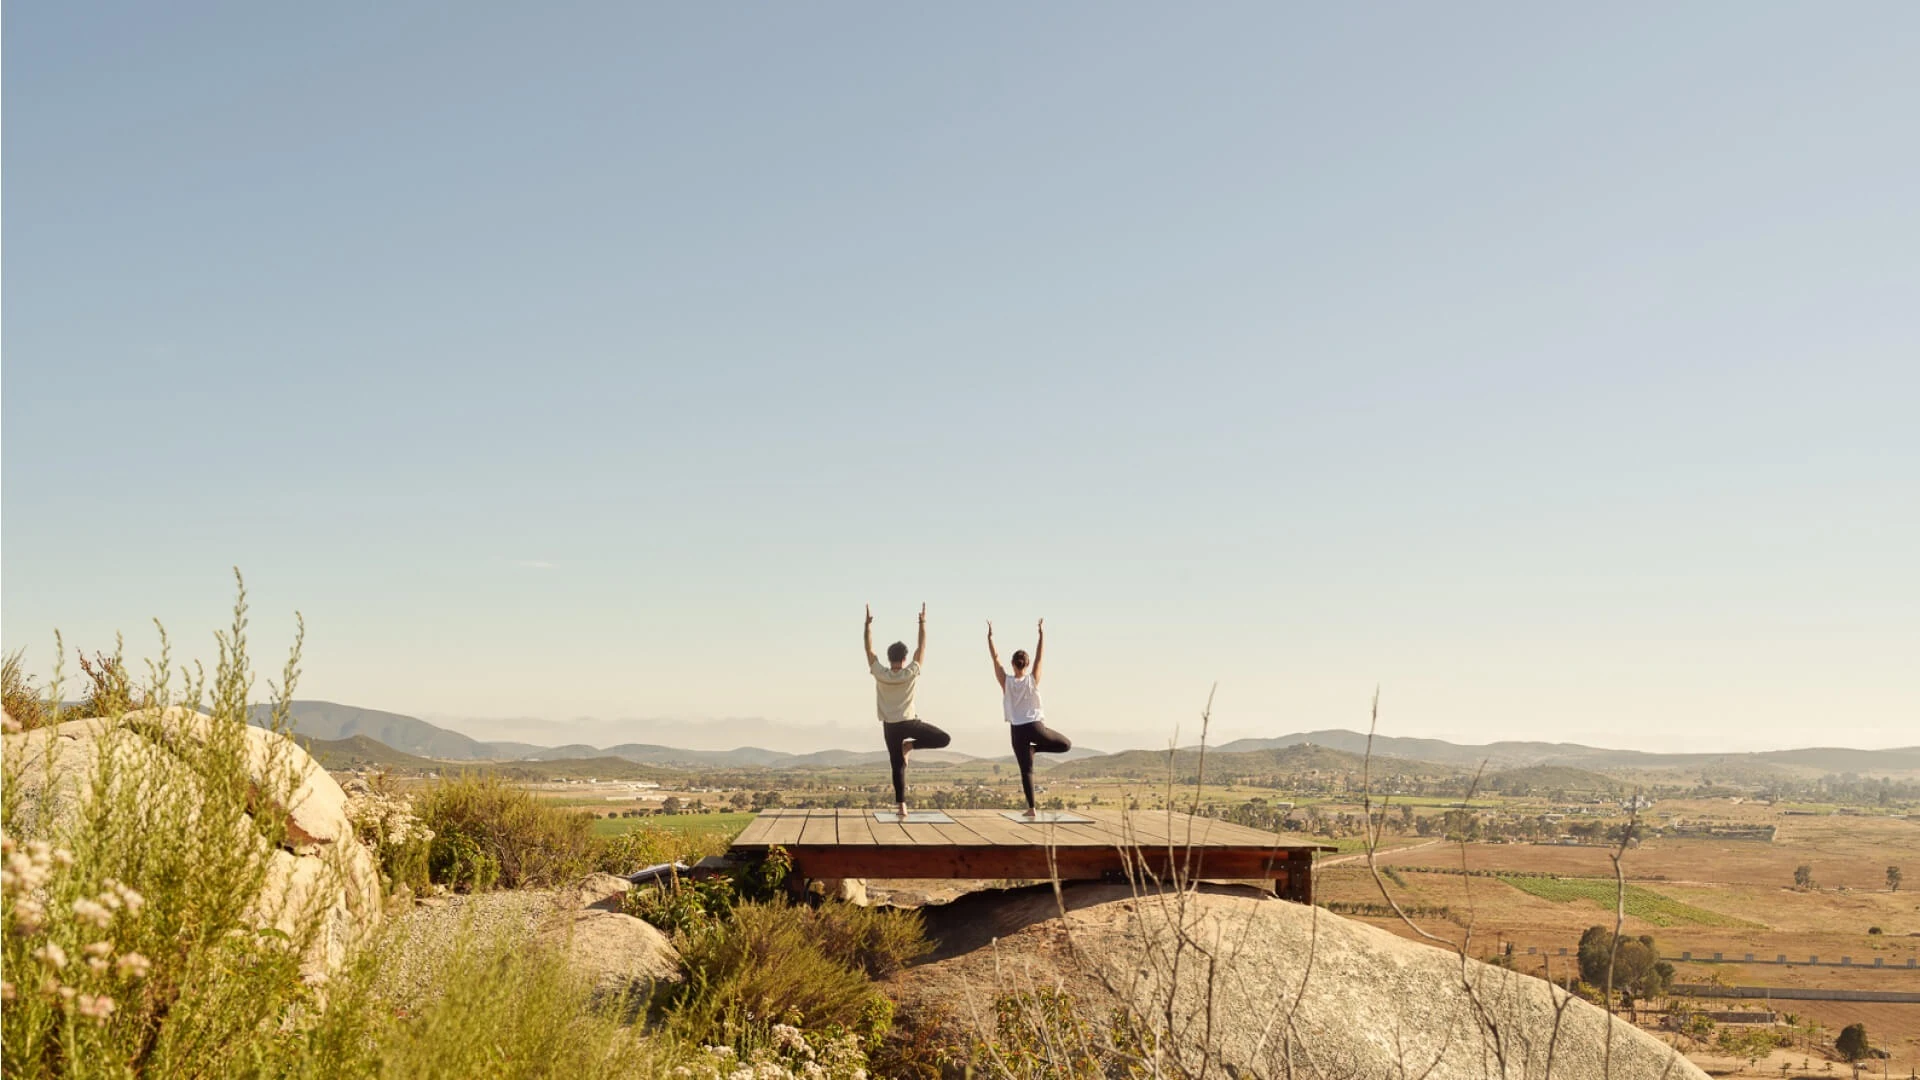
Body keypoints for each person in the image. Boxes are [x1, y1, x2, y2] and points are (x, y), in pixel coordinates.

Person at [866, 603, 949, 816]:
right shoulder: (910, 672)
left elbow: (869, 650)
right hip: (909, 723)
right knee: (943, 739)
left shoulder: (880, 674)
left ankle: (901, 805)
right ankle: (911, 745)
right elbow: (921, 648)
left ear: (889, 658)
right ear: (904, 659)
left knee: (897, 765)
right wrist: (922, 622)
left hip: (890, 726)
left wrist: (867, 626)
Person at [988, 618, 1072, 818]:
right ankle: (1036, 749)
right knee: (1066, 745)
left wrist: (990, 638)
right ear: (1026, 664)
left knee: (1026, 770)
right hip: (1035, 727)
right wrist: (1041, 635)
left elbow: (995, 659)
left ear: (1013, 664)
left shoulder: (1006, 681)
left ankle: (1032, 808)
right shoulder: (1033, 680)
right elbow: (1040, 658)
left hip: (1017, 731)